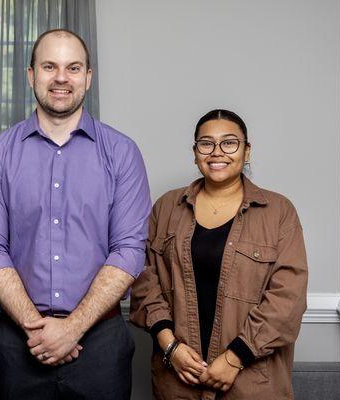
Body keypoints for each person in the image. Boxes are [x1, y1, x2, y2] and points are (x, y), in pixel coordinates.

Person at [0, 29, 151, 400]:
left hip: (101, 345)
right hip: (18, 343)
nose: (61, 78)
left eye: (73, 67)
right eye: (49, 66)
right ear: (31, 74)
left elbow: (129, 250)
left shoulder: (122, 153)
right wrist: (37, 327)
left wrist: (73, 327)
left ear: (88, 77)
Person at [130, 109, 308, 399]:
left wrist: (234, 357)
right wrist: (170, 346)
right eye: (206, 143)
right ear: (195, 151)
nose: (217, 152)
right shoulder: (165, 208)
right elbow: (144, 282)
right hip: (177, 381)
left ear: (246, 150)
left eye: (229, 142)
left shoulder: (279, 212)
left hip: (252, 383)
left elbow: (288, 298)